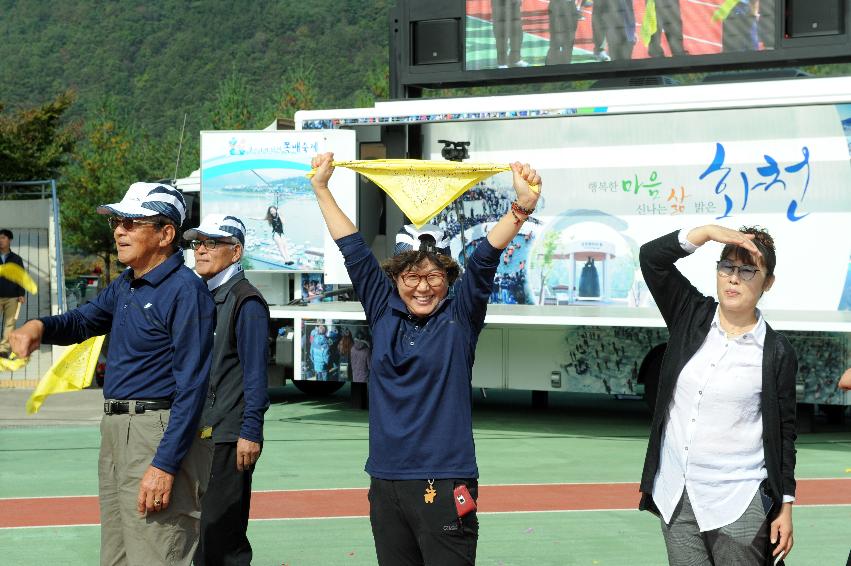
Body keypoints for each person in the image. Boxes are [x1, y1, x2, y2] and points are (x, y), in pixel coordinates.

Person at [309, 151, 541, 566]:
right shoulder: (382, 311)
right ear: (395, 278)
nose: (422, 287)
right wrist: (322, 188)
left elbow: (485, 257)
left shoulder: (460, 316)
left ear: (448, 279)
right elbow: (354, 250)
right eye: (411, 276)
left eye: (434, 276)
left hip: (446, 477)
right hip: (386, 481)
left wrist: (521, 207)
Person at [9, 182, 215, 566]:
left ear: (166, 234)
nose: (120, 230)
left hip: (157, 431)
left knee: (157, 551)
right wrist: (38, 327)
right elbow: (83, 320)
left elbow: (193, 387)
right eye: (118, 222)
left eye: (132, 222)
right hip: (118, 430)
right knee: (117, 555)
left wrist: (164, 464)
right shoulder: (126, 285)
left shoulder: (186, 291)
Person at [638, 225, 797, 565]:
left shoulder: (776, 351)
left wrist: (785, 505)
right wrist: (707, 232)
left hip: (738, 502)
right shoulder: (690, 315)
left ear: (767, 282)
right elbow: (652, 260)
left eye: (747, 270)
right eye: (726, 267)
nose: (733, 278)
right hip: (677, 496)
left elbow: (784, 433)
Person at [185, 214, 271, 566]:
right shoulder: (202, 295)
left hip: (228, 437)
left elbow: (255, 375)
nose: (201, 251)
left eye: (211, 243)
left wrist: (250, 431)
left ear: (235, 252)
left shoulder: (245, 301)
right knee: (199, 536)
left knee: (222, 539)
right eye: (197, 243)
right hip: (199, 433)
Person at [0, 229, 26, 358]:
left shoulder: (16, 259)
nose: (0, 240)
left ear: (9, 240)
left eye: (3, 238)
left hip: (12, 297)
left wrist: (21, 294)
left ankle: (4, 350)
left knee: (9, 323)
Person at [491, 0, 528, 67]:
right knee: (501, 37)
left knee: (517, 35)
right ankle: (502, 62)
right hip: (500, 7)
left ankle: (515, 59)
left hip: (514, 7)